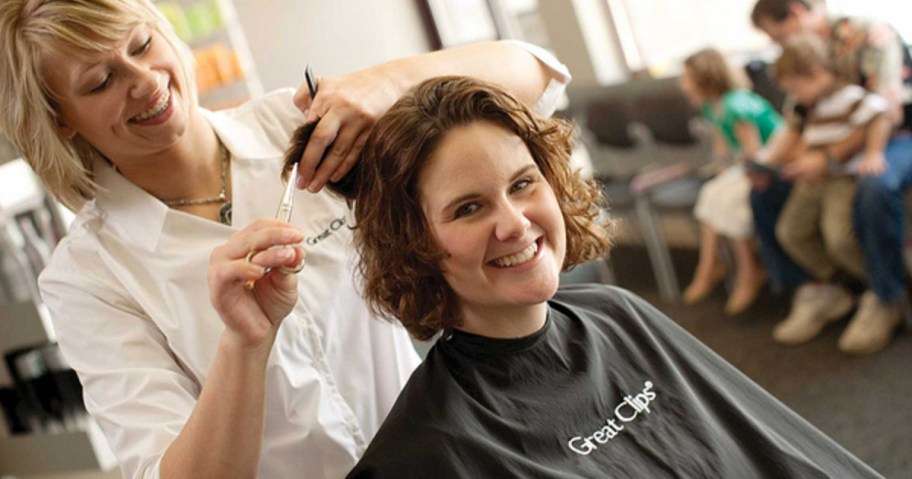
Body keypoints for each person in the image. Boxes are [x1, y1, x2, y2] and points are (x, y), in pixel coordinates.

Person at [0, 1, 571, 478]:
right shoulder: (89, 278)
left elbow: (537, 72)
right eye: (101, 82)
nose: (145, 82)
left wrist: (384, 84)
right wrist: (244, 345)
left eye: (143, 45)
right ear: (60, 119)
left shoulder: (296, 130)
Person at [331, 75, 883, 478]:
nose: (516, 224)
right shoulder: (432, 445)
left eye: (523, 184)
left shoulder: (620, 314)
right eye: (468, 209)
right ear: (414, 244)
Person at [749, 0, 912, 354]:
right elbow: (796, 122)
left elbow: (888, 113)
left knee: (875, 186)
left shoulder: (870, 34)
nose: (779, 46)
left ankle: (887, 295)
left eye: (778, 35)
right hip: (837, 147)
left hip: (895, 136)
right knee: (764, 191)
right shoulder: (802, 57)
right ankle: (821, 287)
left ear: (795, 11)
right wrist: (764, 164)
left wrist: (827, 159)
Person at [677, 48, 781, 315]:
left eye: (687, 77)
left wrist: (732, 176)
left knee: (731, 198)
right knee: (712, 192)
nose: (683, 84)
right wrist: (721, 175)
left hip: (773, 165)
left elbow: (754, 153)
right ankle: (711, 264)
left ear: (705, 78)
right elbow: (723, 150)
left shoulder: (736, 105)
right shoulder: (713, 107)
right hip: (748, 165)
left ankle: (746, 270)